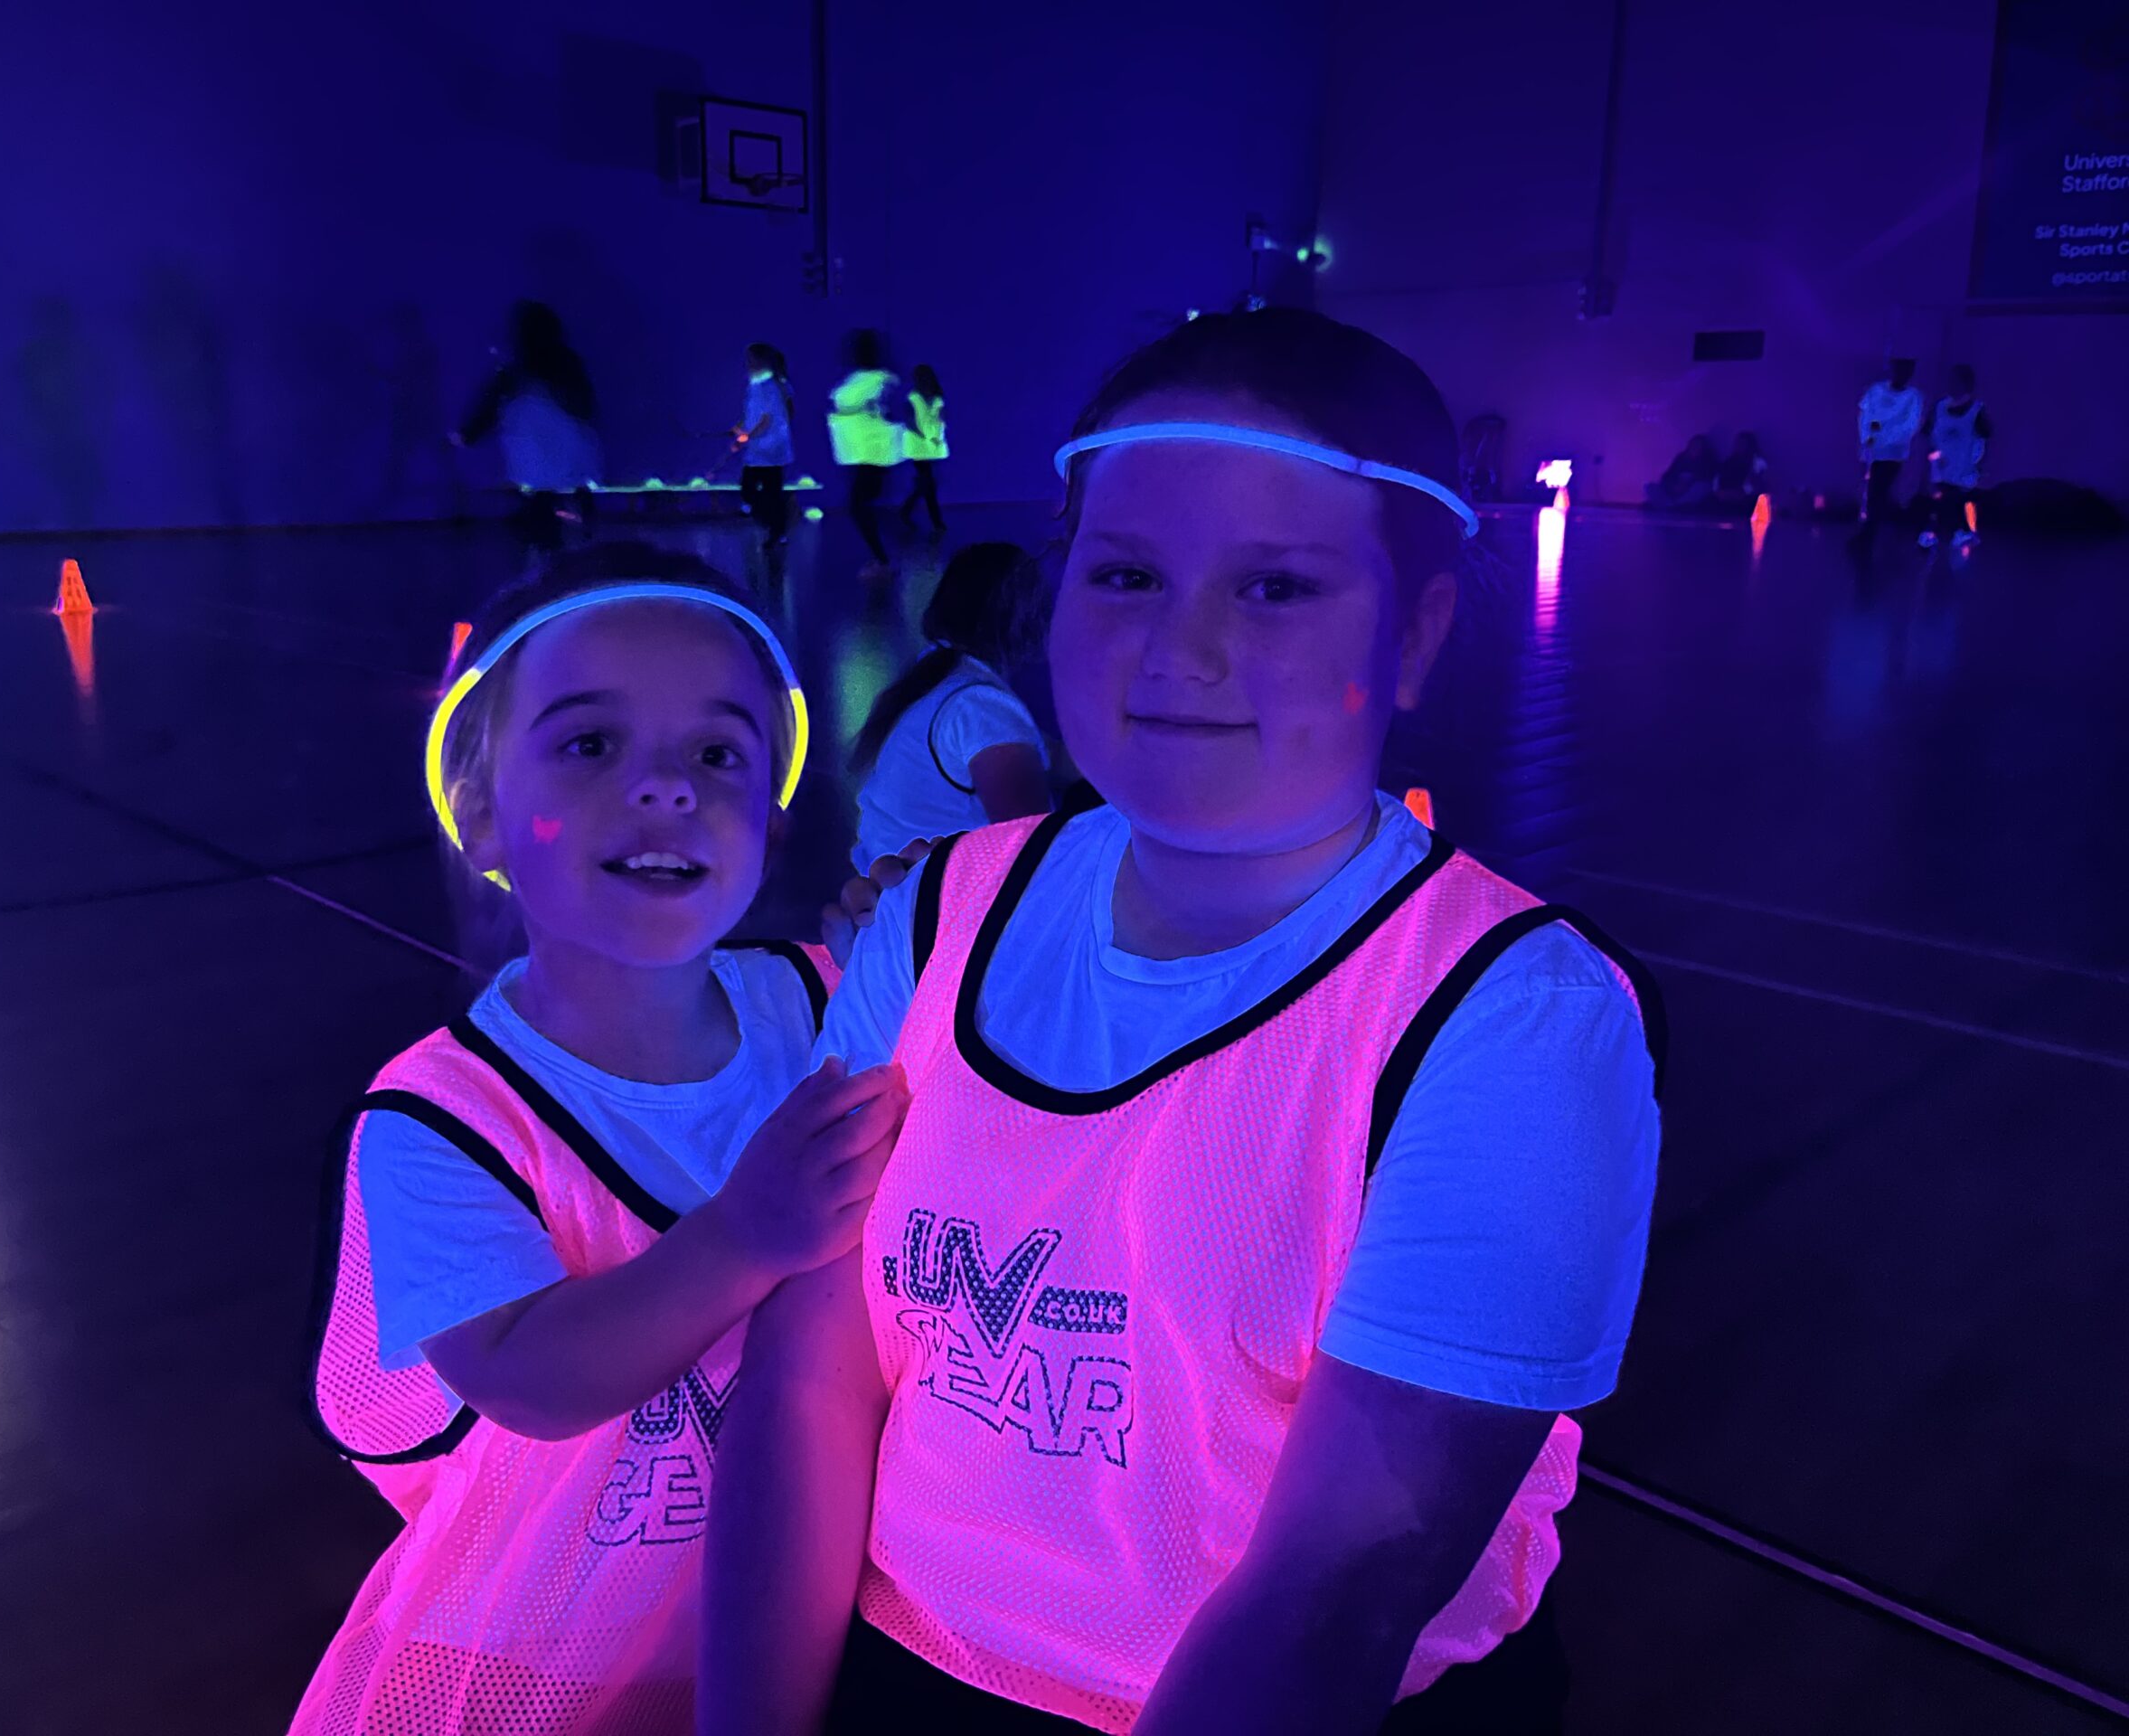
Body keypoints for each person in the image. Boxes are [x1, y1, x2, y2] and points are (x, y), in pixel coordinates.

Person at [702, 309, 1663, 1736]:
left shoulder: (1511, 1025)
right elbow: (810, 1375)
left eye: (1275, 588)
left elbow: (1340, 1584)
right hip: (904, 1664)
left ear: (1418, 634)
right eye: (1129, 573)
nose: (1180, 648)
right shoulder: (937, 912)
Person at [294, 544, 909, 1736]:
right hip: (545, 1655)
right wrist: (742, 1237)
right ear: (477, 813)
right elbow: (528, 1376)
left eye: (719, 754)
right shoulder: (442, 1117)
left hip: (799, 1614)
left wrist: (928, 942)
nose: (668, 787)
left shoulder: (824, 996)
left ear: (770, 827)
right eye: (589, 744)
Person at [847, 541, 1051, 873]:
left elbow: (1045, 755)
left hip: (887, 887)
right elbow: (1033, 846)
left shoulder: (937, 674)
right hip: (942, 903)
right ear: (1023, 617)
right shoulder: (981, 705)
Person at [457, 301, 605, 558]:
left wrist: (466, 435)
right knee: (557, 507)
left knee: (542, 507)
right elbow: (585, 405)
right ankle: (573, 546)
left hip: (538, 465)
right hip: (568, 460)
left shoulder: (516, 373)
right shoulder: (561, 366)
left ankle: (551, 550)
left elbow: (489, 406)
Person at [828, 330, 908, 575]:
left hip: (872, 453)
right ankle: (884, 556)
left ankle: (884, 558)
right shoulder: (873, 379)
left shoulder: (877, 380)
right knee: (864, 504)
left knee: (859, 505)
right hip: (865, 452)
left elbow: (849, 402)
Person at [1851, 357, 1923, 552]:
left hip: (1893, 454)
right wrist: (1868, 437)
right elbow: (1865, 415)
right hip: (1873, 451)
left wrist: (1884, 435)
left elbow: (1909, 427)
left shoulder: (1913, 397)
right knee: (1874, 493)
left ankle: (1869, 534)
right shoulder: (1876, 391)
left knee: (1878, 491)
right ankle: (1870, 531)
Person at [1919, 364, 1992, 552]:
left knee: (1966, 500)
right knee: (1937, 498)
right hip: (1942, 466)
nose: (1952, 385)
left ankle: (1968, 531)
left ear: (1967, 384)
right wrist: (1933, 457)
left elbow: (1986, 435)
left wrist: (1979, 463)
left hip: (1965, 466)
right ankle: (1932, 531)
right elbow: (1928, 433)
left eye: (1957, 381)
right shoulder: (1940, 407)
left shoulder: (1976, 411)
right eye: (1950, 380)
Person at [735, 343, 796, 557]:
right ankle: (776, 527)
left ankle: (776, 529)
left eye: (751, 359)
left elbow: (767, 418)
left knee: (765, 491)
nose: (747, 364)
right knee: (754, 491)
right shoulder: (755, 385)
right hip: (758, 448)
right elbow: (752, 413)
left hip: (771, 448)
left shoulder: (772, 387)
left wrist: (748, 435)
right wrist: (742, 428)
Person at [900, 364, 949, 535]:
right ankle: (937, 522)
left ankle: (906, 512)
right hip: (918, 447)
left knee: (927, 484)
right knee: (929, 484)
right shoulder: (913, 397)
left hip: (932, 446)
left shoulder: (936, 397)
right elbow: (910, 422)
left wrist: (938, 433)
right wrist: (927, 436)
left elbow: (942, 417)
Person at [1644, 434, 1719, 511]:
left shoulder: (1708, 461)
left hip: (1690, 493)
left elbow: (1709, 478)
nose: (1696, 449)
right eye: (1694, 446)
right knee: (1649, 486)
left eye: (1699, 447)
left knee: (1702, 487)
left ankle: (1674, 506)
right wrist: (1673, 486)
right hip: (1674, 492)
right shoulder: (1681, 458)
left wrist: (1688, 484)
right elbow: (1667, 475)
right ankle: (1670, 505)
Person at [1714, 431, 1769, 512]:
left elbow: (1756, 483)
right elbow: (1719, 479)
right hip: (1725, 495)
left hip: (1746, 498)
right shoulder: (1729, 462)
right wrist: (1720, 492)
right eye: (1738, 443)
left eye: (1743, 443)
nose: (1740, 446)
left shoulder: (1758, 462)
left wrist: (1740, 493)